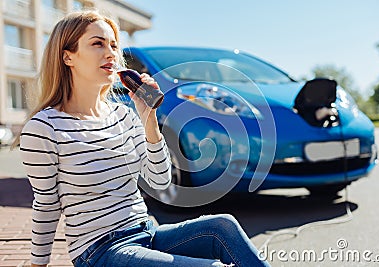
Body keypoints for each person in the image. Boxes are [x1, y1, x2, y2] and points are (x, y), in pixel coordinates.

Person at [15, 9, 270, 267]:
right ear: (67, 57)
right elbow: (46, 206)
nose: (110, 53)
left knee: (223, 226)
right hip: (101, 250)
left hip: (147, 233)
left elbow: (159, 181)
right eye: (97, 44)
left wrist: (148, 118)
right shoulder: (44, 128)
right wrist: (39, 265)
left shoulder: (124, 116)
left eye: (114, 45)